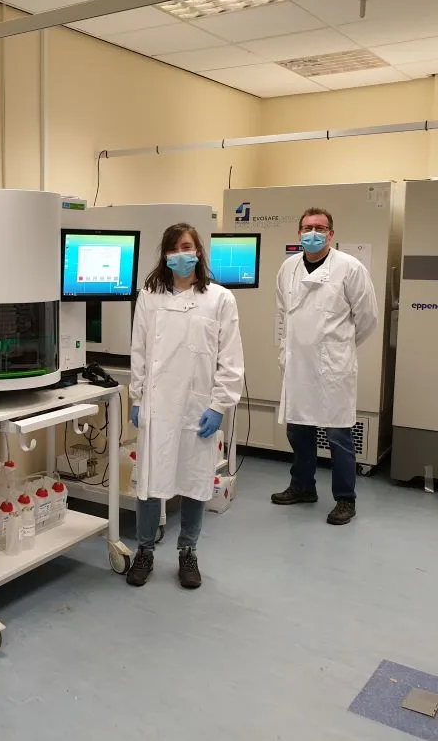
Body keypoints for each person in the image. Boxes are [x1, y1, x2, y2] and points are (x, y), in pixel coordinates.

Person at [127, 223, 245, 588]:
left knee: (195, 481)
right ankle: (144, 550)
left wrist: (219, 404)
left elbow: (231, 357)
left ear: (198, 252)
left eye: (188, 246)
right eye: (175, 248)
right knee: (149, 479)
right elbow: (140, 349)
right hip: (158, 405)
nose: (182, 253)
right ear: (165, 254)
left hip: (197, 406)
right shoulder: (149, 296)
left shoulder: (220, 299)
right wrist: (136, 395)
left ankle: (187, 551)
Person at [272, 208, 378, 525]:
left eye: (320, 228)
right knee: (298, 429)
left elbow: (368, 318)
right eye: (307, 227)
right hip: (298, 364)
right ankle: (303, 486)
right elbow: (282, 314)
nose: (313, 233)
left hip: (334, 365)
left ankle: (346, 499)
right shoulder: (288, 268)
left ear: (331, 234)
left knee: (338, 435)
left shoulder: (350, 268)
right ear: (299, 233)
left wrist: (338, 347)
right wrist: (285, 349)